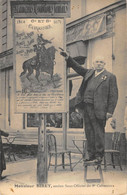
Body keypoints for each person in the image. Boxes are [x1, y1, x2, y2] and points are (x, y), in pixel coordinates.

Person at [60, 51, 118, 163]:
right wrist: (68, 58)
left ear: (104, 64)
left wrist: (110, 111)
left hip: (100, 109)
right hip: (86, 107)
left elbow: (114, 95)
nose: (99, 63)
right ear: (93, 64)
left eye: (101, 62)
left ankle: (99, 156)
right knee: (89, 131)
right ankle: (90, 154)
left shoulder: (110, 77)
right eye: (97, 62)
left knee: (98, 132)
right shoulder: (89, 73)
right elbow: (78, 67)